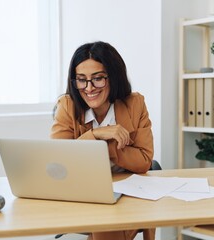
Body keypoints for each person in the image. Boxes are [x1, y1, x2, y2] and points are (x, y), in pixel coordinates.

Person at [50, 41, 155, 240]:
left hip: (127, 189)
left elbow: (144, 161)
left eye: (98, 79)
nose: (89, 88)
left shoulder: (135, 104)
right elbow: (58, 160)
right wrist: (97, 135)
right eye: (81, 80)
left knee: (110, 215)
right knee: (106, 212)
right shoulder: (67, 105)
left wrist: (107, 147)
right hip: (83, 189)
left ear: (113, 77)